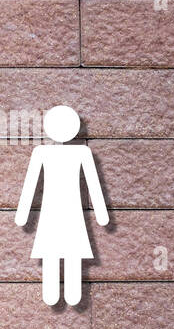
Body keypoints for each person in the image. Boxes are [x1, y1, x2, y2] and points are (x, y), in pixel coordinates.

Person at [14, 105, 109, 307]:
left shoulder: (81, 153)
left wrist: (102, 213)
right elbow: (31, 183)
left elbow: (92, 183)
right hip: (56, 211)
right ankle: (54, 293)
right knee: (53, 250)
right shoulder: (43, 153)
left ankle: (70, 293)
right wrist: (101, 214)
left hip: (66, 211)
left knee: (69, 250)